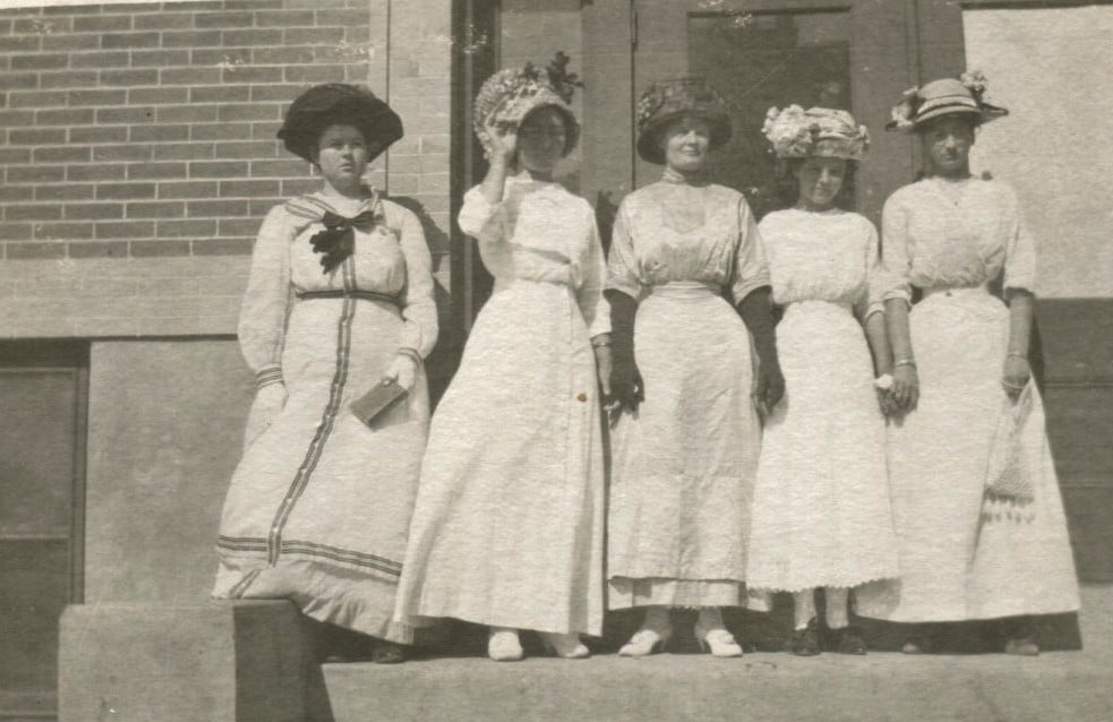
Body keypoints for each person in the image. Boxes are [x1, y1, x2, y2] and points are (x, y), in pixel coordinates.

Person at [854, 73, 1081, 655]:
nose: (951, 145)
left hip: (987, 336)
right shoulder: (903, 203)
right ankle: (927, 617)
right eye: (939, 135)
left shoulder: (999, 197)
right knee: (931, 480)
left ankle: (1013, 616)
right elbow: (895, 287)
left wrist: (1015, 353)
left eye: (959, 133)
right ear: (922, 141)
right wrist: (903, 362)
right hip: (929, 344)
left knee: (1001, 474)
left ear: (974, 137)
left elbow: (1022, 280)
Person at [213, 83, 438, 665]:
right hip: (307, 367)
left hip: (382, 364)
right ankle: (309, 617)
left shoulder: (398, 220)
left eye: (358, 144)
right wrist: (270, 374)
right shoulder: (287, 220)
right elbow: (264, 303)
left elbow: (420, 302)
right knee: (288, 482)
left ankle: (378, 625)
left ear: (371, 154)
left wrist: (407, 359)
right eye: (336, 144)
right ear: (316, 155)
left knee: (377, 486)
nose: (348, 155)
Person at [394, 54, 608, 662]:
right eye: (533, 130)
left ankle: (554, 618)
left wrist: (605, 352)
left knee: (559, 473)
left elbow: (594, 291)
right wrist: (496, 161)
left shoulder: (578, 208)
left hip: (565, 337)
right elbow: (472, 223)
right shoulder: (497, 194)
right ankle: (500, 619)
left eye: (556, 131)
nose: (548, 140)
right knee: (498, 466)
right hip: (512, 325)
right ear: (511, 137)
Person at [603, 77, 784, 658]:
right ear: (661, 139)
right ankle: (655, 615)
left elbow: (753, 285)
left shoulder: (732, 203)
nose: (692, 139)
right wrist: (624, 358)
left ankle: (711, 615)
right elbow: (621, 286)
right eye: (681, 129)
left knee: (718, 467)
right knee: (655, 466)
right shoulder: (637, 206)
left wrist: (769, 355)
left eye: (701, 131)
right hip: (656, 335)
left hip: (717, 337)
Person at [747, 106, 900, 656]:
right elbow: (759, 302)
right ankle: (803, 616)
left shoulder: (859, 229)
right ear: (794, 170)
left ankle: (840, 616)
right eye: (813, 168)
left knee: (846, 480)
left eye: (835, 170)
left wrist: (884, 369)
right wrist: (765, 366)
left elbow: (873, 304)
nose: (824, 180)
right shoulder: (772, 226)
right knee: (801, 480)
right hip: (795, 351)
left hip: (845, 356)